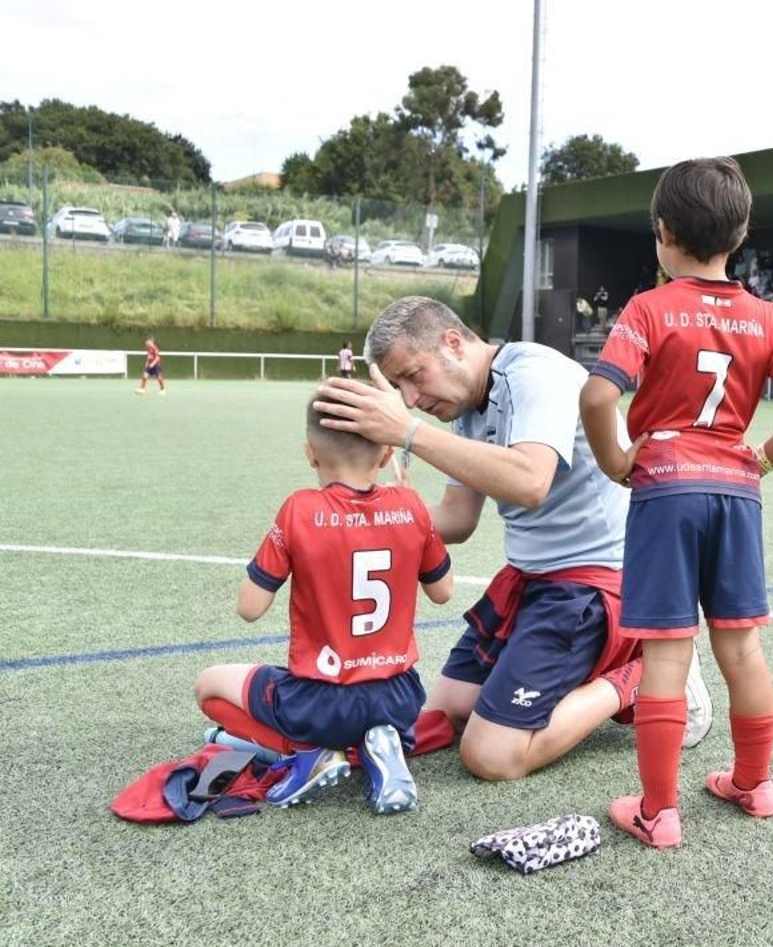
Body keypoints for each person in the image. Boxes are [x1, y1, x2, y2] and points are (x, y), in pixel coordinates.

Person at [312, 296, 712, 781]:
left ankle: (643, 673)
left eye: (413, 376)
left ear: (452, 343)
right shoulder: (466, 409)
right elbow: (457, 519)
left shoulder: (536, 375)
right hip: (532, 578)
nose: (411, 398)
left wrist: (409, 432)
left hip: (595, 582)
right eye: (399, 388)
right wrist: (361, 512)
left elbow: (529, 482)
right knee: (447, 712)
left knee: (491, 755)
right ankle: (575, 675)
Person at [581, 156, 773, 850]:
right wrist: (763, 458)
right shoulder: (769, 317)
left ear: (662, 231)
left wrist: (617, 462)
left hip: (666, 488)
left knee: (665, 654)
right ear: (739, 235)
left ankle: (659, 813)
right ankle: (755, 783)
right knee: (741, 648)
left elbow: (599, 395)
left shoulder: (649, 308)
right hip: (736, 491)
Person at [192, 398, 455, 812]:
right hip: (400, 696)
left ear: (310, 453)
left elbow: (250, 607)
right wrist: (409, 510)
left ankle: (310, 752)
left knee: (209, 686)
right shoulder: (412, 507)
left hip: (319, 700)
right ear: (387, 453)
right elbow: (444, 592)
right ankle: (376, 745)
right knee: (364, 710)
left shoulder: (300, 509)